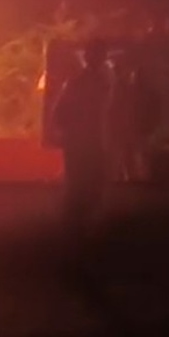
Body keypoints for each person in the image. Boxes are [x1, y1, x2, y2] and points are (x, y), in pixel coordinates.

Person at [51, 39, 113, 235]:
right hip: (89, 142)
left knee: (80, 186)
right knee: (88, 185)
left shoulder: (79, 83)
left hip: (81, 142)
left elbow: (59, 113)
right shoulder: (100, 84)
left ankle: (74, 229)